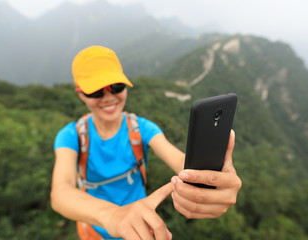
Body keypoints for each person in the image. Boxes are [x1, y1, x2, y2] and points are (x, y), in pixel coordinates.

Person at [50, 45, 242, 240]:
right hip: (96, 231)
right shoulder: (71, 136)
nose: (108, 97)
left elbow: (179, 160)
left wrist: (210, 176)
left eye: (116, 87)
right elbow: (60, 192)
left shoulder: (141, 128)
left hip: (141, 230)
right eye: (96, 92)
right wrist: (113, 216)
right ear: (80, 93)